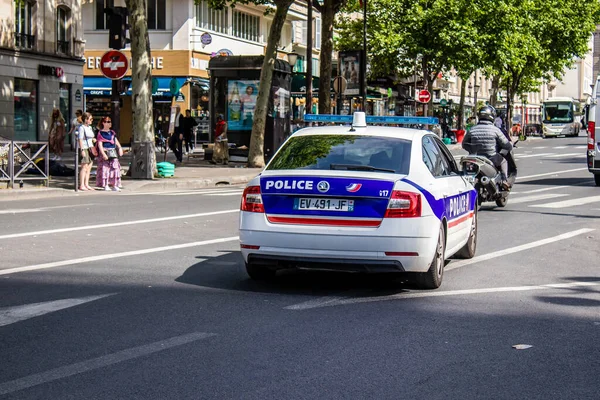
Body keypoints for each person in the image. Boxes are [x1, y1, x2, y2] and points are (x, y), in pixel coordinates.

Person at [462, 105, 513, 189]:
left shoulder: (472, 129)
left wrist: (472, 150)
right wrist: (509, 145)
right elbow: (505, 144)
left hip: (475, 157)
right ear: (492, 116)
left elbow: (464, 144)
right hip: (491, 157)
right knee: (503, 161)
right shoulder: (495, 130)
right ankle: (504, 180)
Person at [96, 116, 124, 191]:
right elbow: (100, 144)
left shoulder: (112, 132)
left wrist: (120, 148)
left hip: (113, 151)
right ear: (103, 123)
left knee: (115, 168)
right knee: (105, 168)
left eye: (110, 121)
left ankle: (115, 184)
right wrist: (103, 153)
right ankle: (106, 185)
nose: (109, 123)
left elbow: (115, 140)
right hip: (105, 151)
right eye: (107, 122)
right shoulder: (100, 133)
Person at [76, 112, 95, 191]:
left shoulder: (89, 128)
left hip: (90, 148)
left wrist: (94, 140)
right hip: (85, 147)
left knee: (89, 167)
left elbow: (91, 137)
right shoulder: (81, 127)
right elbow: (80, 139)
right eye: (90, 119)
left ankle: (87, 184)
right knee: (84, 167)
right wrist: (82, 150)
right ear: (86, 119)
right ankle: (82, 184)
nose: (91, 120)